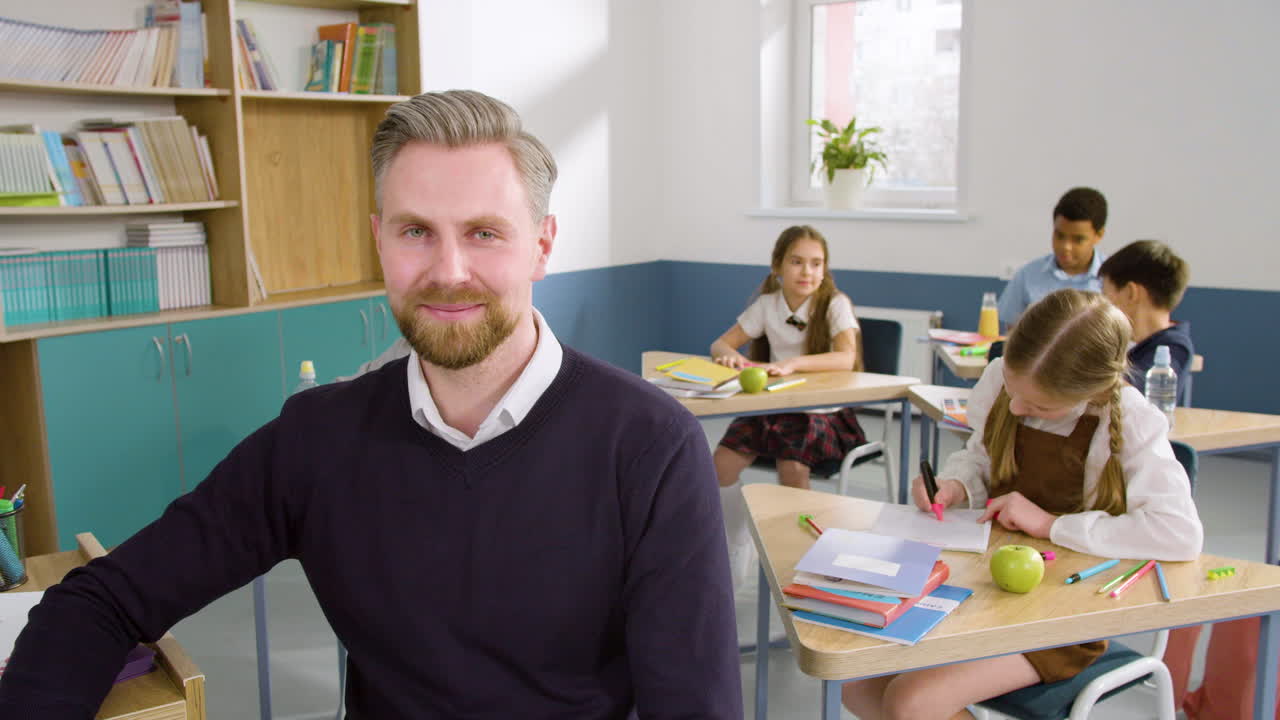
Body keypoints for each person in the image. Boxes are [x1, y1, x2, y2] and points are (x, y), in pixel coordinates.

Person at [0, 90, 742, 719]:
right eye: (416, 231)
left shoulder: (650, 447)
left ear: (542, 246)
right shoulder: (317, 439)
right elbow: (101, 602)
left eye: (485, 233)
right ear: (379, 242)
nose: (448, 272)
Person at [842, 288, 1203, 720]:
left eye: (1037, 406)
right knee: (857, 686)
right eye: (1014, 392)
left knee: (912, 702)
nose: (1016, 407)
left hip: (1066, 613)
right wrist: (957, 484)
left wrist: (1051, 524)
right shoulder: (1000, 377)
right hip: (985, 590)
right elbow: (979, 455)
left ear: (1090, 391)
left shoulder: (1129, 418)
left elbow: (1180, 534)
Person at [708, 225, 864, 581]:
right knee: (719, 465)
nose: (807, 272)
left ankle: (805, 557)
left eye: (815, 263)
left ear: (824, 269)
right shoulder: (767, 305)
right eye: (797, 262)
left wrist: (792, 364)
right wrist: (732, 358)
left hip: (821, 414)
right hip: (772, 410)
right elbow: (719, 344)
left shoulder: (835, 304)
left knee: (792, 468)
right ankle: (736, 544)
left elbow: (846, 359)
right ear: (778, 265)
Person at [1099, 239, 1194, 406]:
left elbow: (1125, 395)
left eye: (1106, 293)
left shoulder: (1174, 349)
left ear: (1130, 293)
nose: (1103, 303)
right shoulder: (1128, 342)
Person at [998, 187, 1109, 329]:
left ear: (1099, 235)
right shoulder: (1028, 276)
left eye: (1078, 239)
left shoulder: (1113, 281)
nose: (1065, 246)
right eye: (1059, 235)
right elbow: (1012, 334)